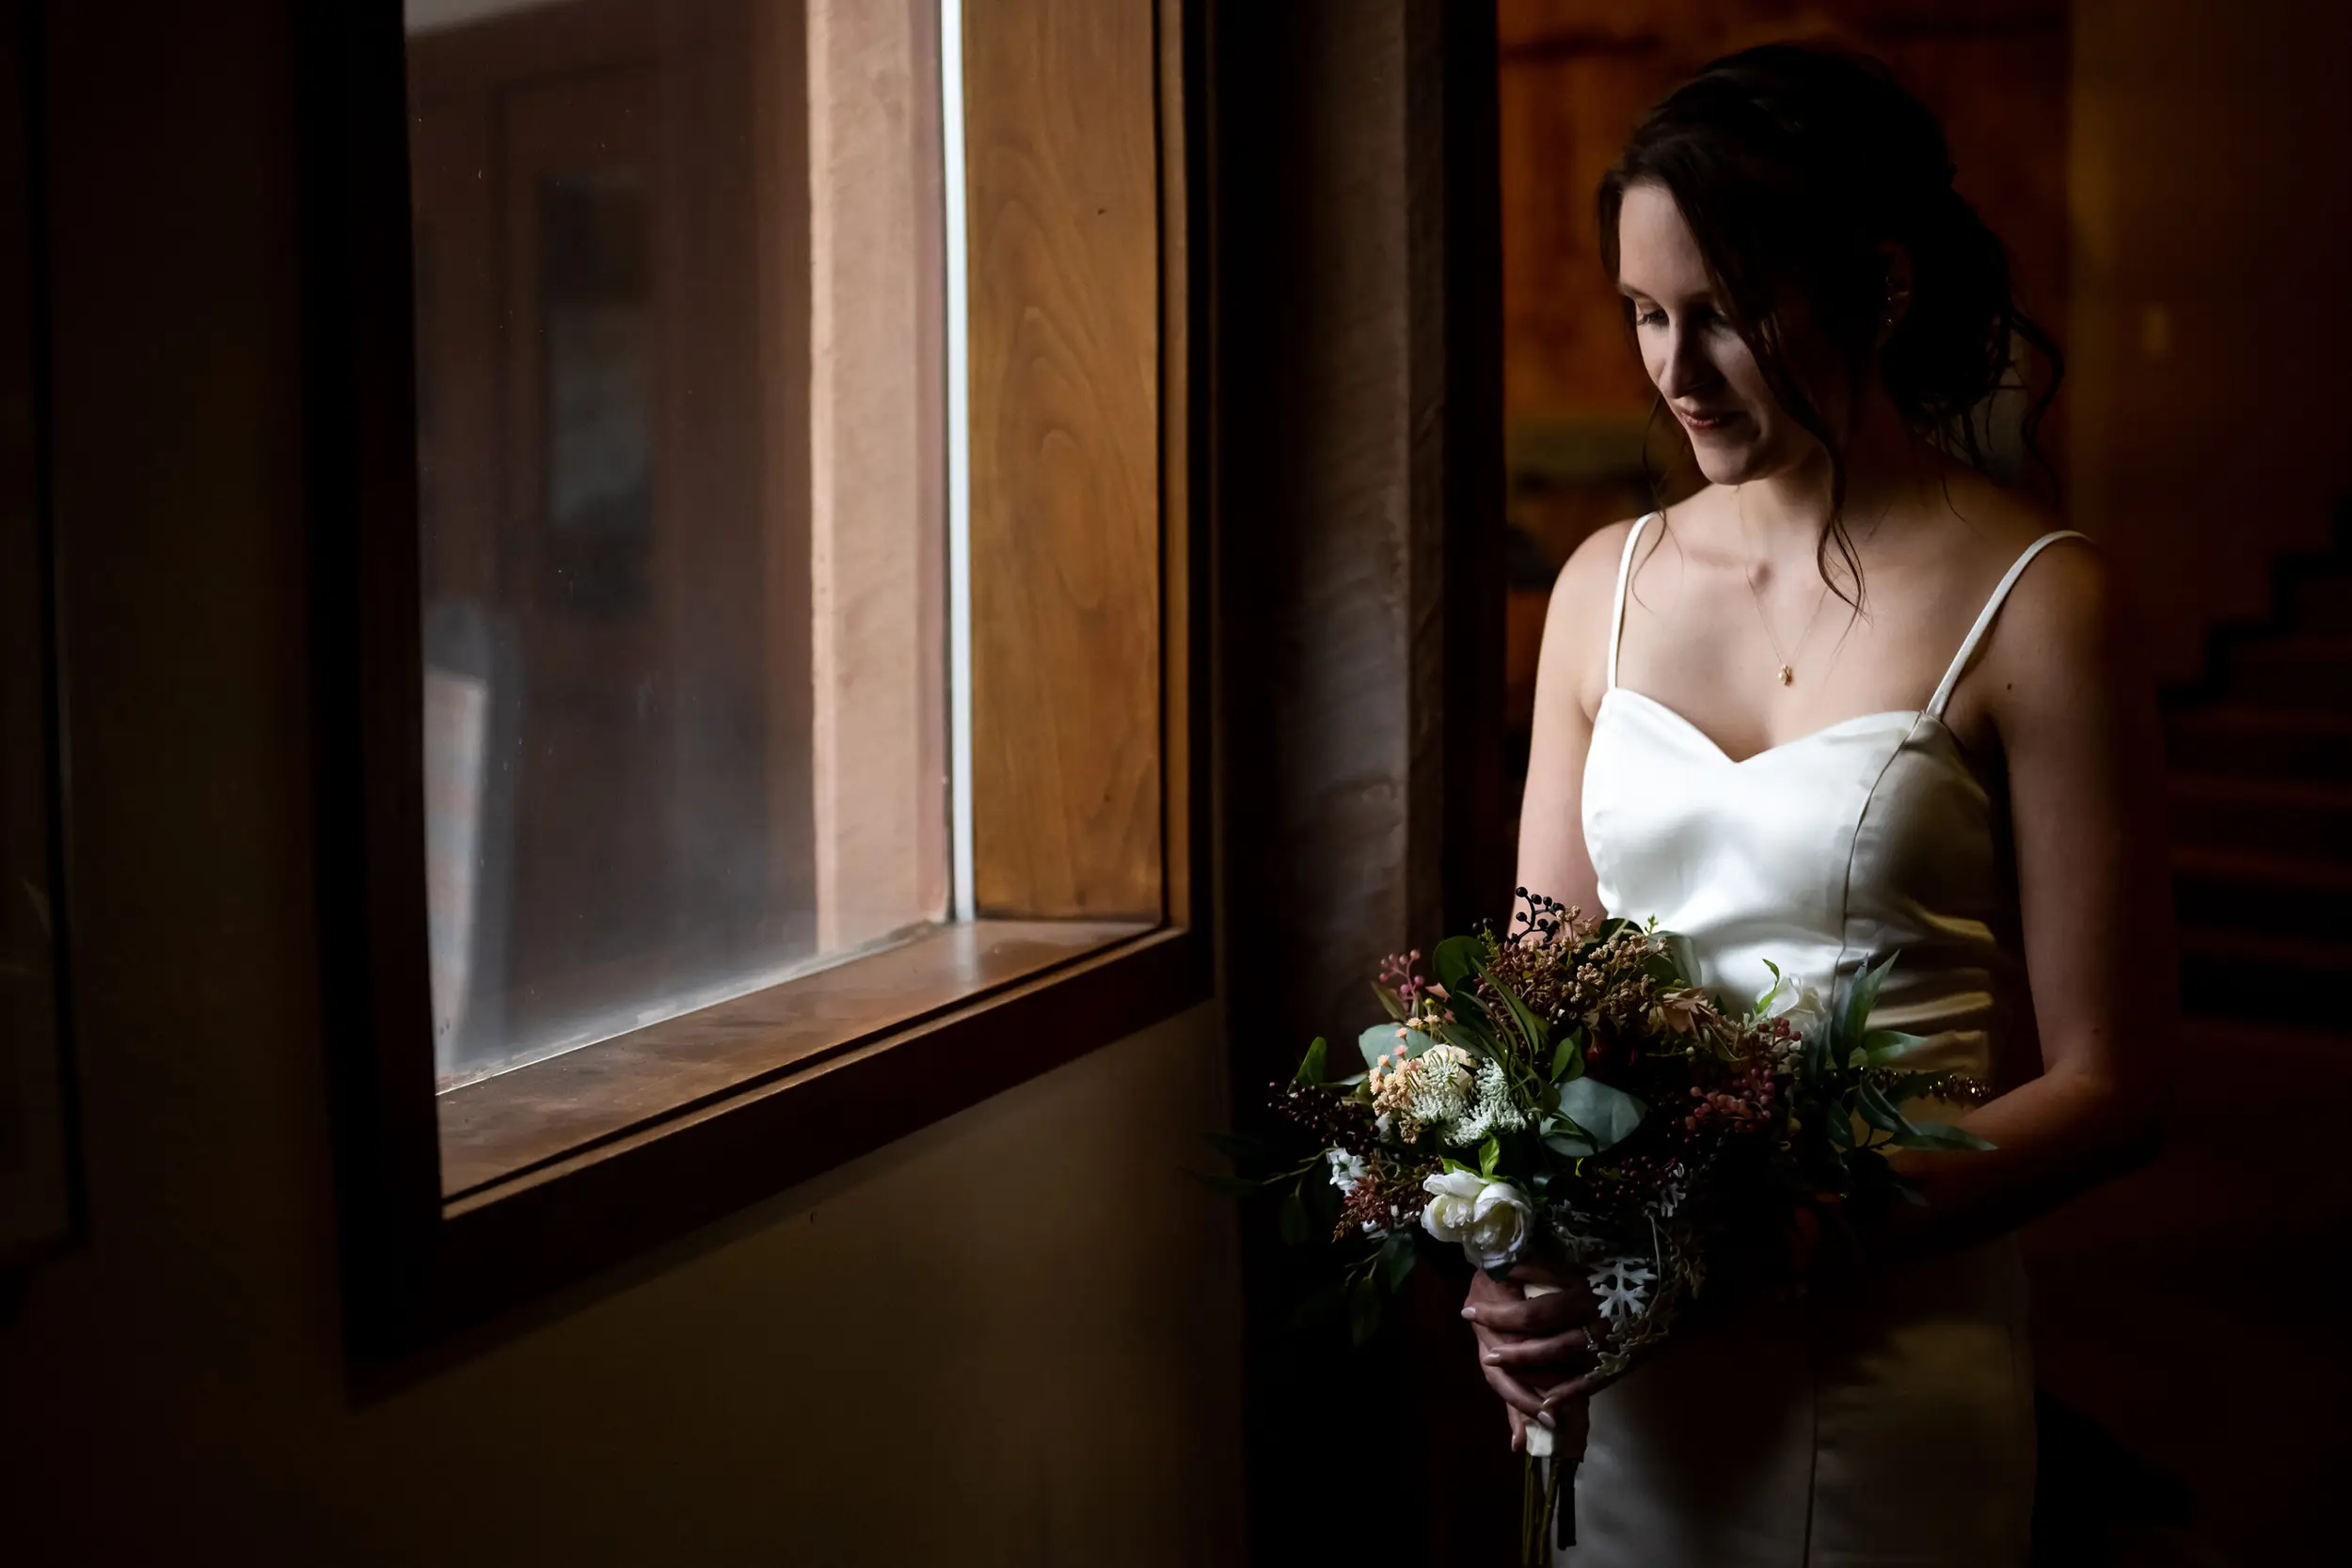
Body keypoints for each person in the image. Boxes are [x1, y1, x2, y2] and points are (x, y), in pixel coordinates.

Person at [1462, 43, 2177, 1566]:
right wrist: (1511, 1256)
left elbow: (2117, 1082)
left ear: (1881, 285)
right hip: (1635, 1384)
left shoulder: (2046, 606)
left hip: (1888, 1366)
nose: (1671, 368)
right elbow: (1535, 1012)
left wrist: (1786, 1232)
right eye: (1647, 315)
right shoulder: (1603, 590)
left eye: (1724, 313)